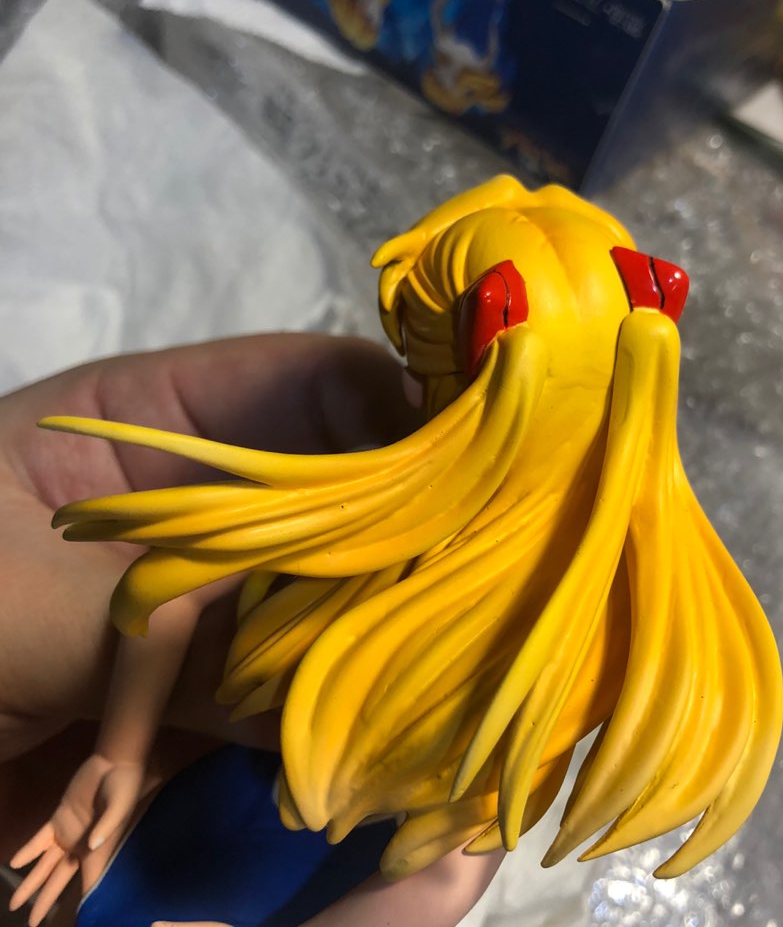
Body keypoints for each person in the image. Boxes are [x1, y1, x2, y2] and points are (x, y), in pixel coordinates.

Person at [0, 332, 502, 926]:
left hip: (332, 842)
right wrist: (118, 754)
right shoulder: (366, 488)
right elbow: (175, 582)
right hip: (212, 785)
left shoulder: (521, 619)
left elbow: (448, 874)